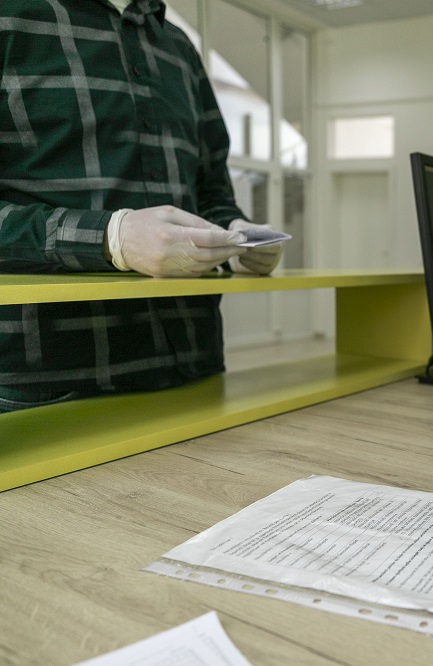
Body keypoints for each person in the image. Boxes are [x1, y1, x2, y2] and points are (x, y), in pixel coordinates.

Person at [0, 0, 283, 414]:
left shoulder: (179, 47)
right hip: (49, 385)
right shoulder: (9, 17)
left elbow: (211, 194)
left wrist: (237, 238)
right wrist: (110, 237)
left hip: (195, 367)